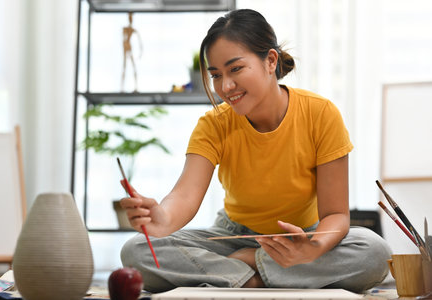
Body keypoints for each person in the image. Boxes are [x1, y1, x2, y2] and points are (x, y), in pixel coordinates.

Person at [120, 9, 391, 293]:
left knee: (375, 251)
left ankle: (241, 271)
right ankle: (258, 277)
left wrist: (312, 248)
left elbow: (336, 214)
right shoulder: (213, 124)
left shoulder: (321, 114)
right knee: (136, 251)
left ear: (270, 60)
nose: (225, 86)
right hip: (231, 238)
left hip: (302, 236)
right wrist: (162, 219)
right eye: (216, 75)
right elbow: (185, 195)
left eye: (235, 69)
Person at [121, 12, 142, 92]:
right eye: (130, 17)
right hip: (126, 48)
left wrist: (140, 52)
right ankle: (122, 87)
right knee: (124, 67)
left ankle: (136, 87)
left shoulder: (133, 30)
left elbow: (140, 42)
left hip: (129, 48)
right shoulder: (125, 29)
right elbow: (123, 39)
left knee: (133, 67)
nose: (131, 19)